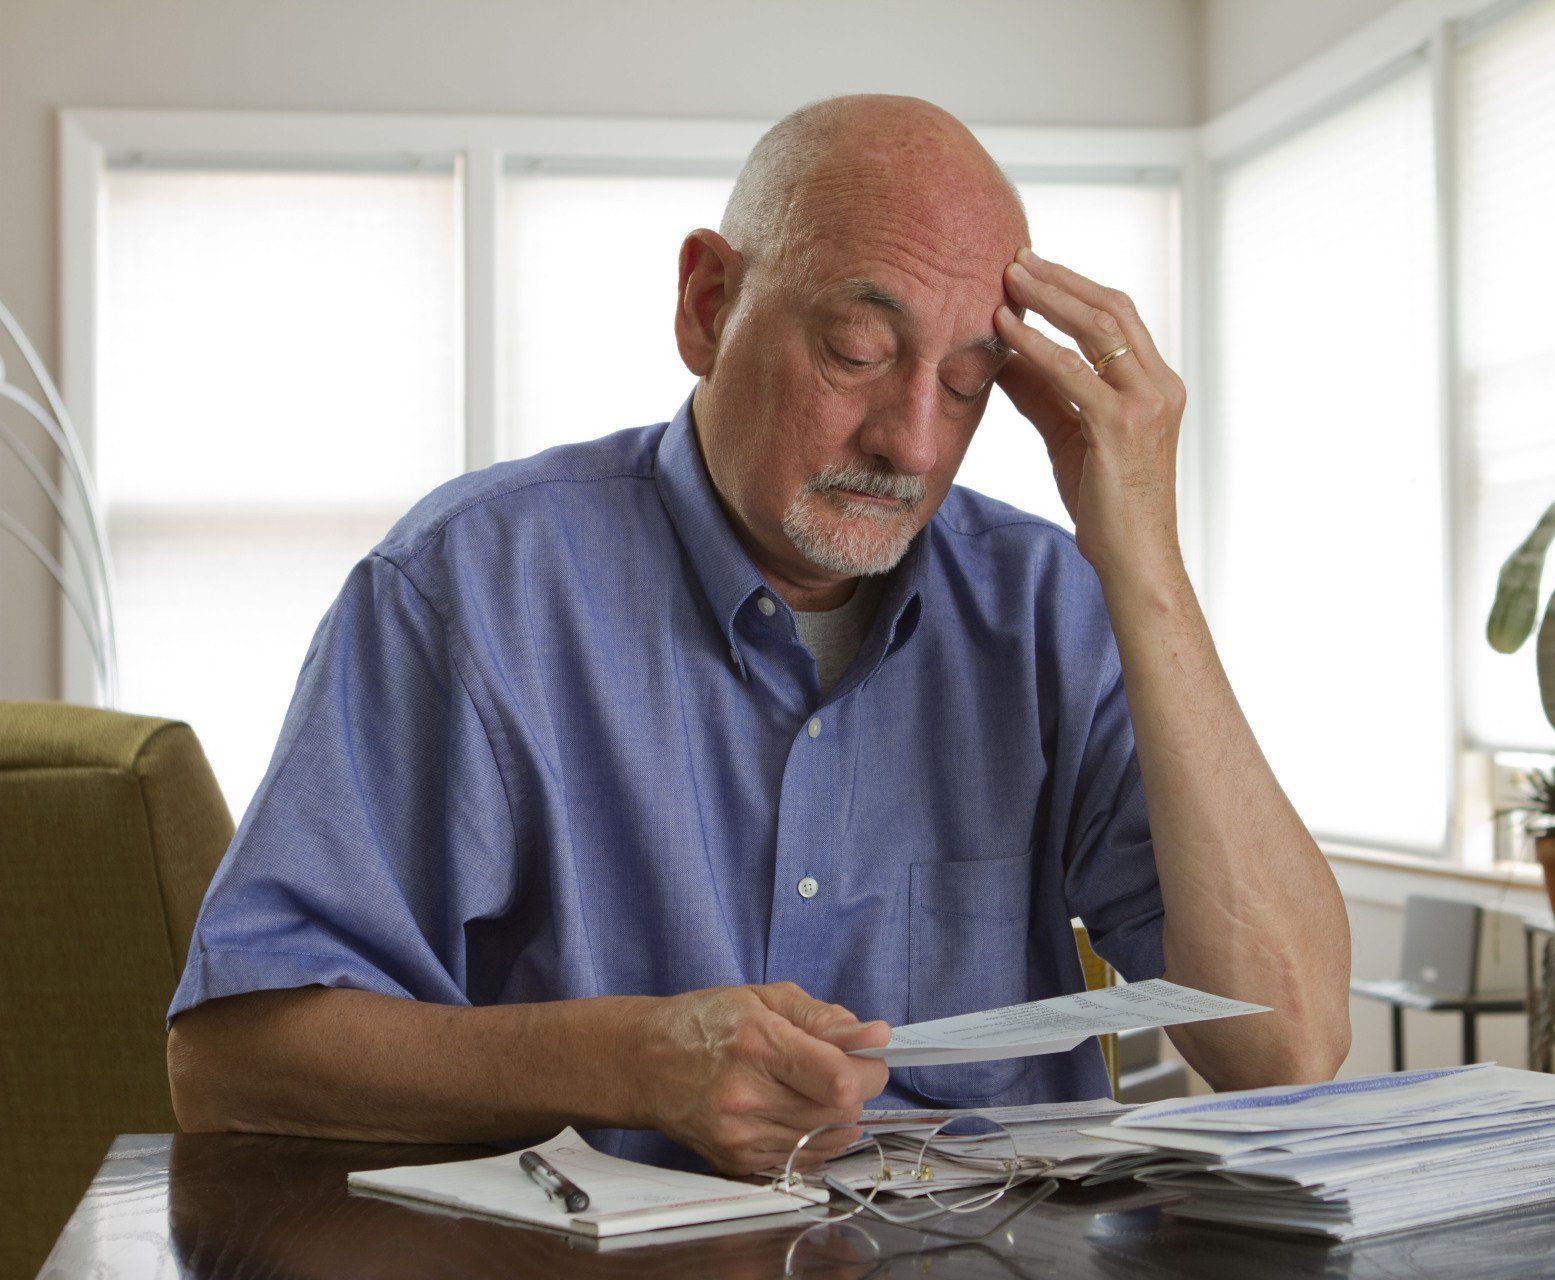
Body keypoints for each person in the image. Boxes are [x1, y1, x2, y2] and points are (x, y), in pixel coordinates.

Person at [165, 94, 1351, 1175]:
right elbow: (230, 1062)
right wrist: (626, 1059)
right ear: (707, 304)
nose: (913, 444)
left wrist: (1145, 561)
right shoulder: (470, 590)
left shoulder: (1049, 607)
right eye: (858, 350)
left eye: (966, 385)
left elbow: (1287, 1045)